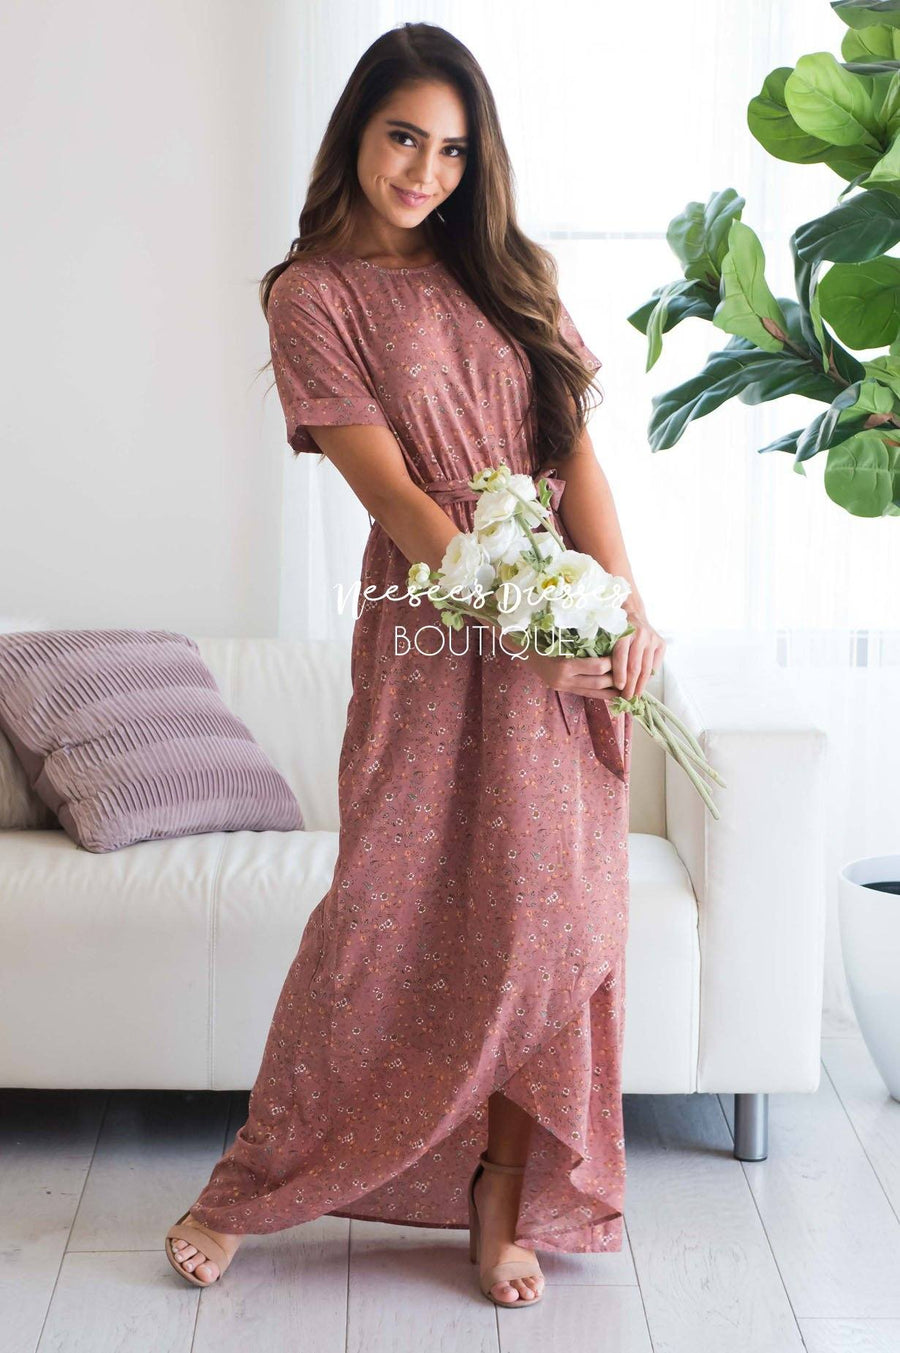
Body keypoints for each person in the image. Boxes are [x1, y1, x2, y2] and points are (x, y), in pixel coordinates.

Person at [165, 20, 665, 1309]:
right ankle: (251, 1187)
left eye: (451, 151)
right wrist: (527, 624)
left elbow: (574, 455)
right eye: (403, 138)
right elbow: (396, 497)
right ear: (356, 132)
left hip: (558, 624)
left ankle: (501, 1195)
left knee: (547, 927)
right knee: (381, 926)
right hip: (438, 628)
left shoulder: (511, 275)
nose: (424, 172)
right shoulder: (311, 295)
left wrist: (618, 608)